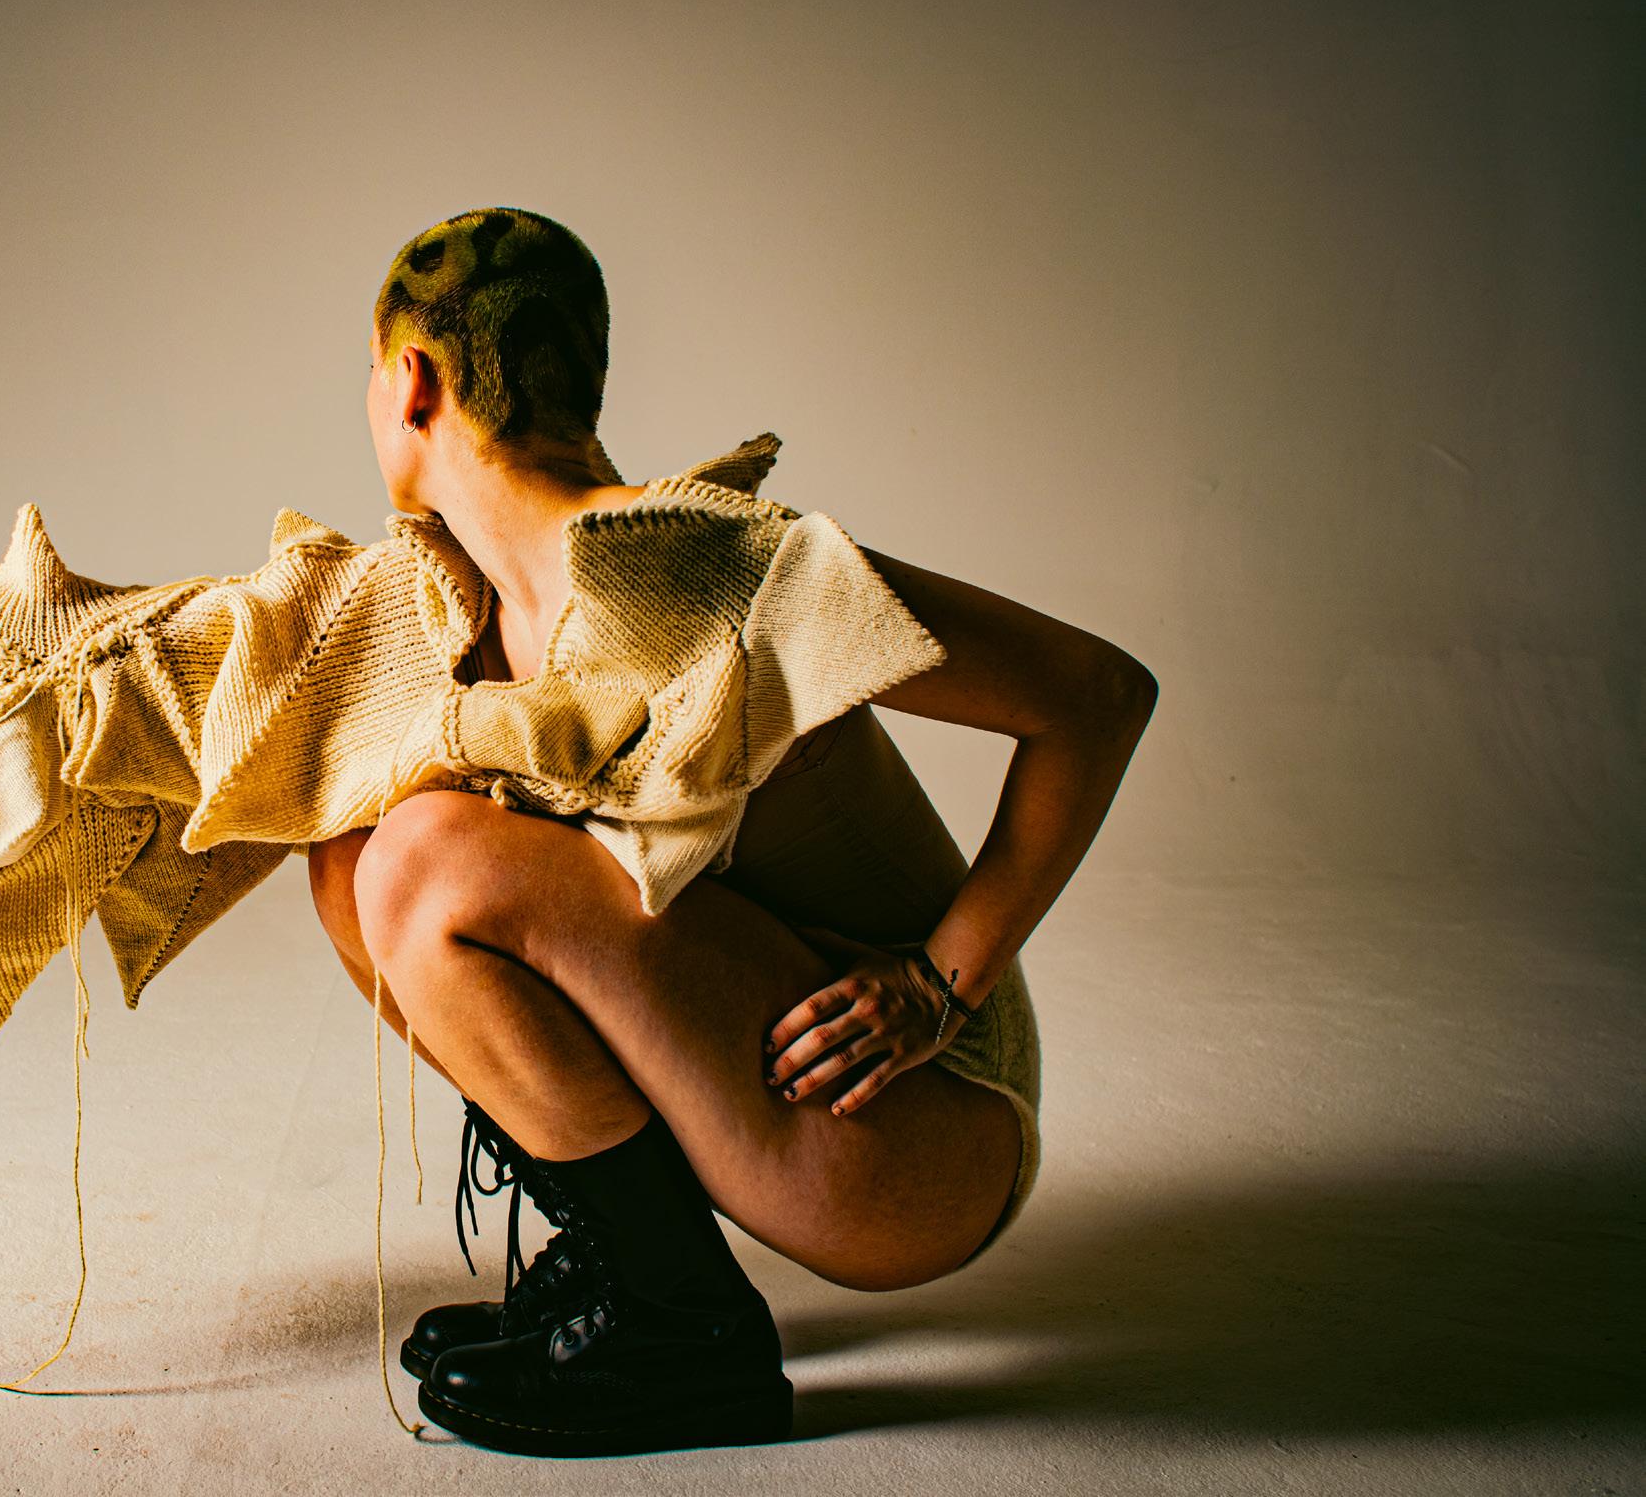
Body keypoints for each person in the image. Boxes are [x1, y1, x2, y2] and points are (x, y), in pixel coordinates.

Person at [304, 207, 1158, 1457]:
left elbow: (1095, 695)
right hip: (793, 1078)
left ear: (410, 383)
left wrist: (939, 985)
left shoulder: (707, 567)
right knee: (350, 845)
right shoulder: (469, 607)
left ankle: (684, 1337)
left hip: (926, 1123)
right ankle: (631, 1258)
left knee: (425, 863)